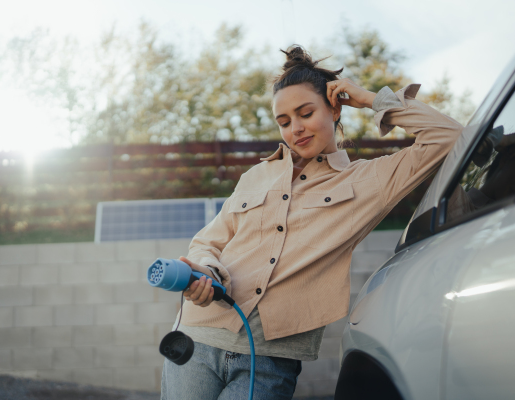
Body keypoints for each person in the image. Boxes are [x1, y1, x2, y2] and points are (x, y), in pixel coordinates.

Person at [160, 45, 463, 400]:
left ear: (334, 108)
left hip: (271, 360)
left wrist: (369, 99)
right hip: (197, 341)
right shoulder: (256, 176)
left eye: (305, 113)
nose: (296, 129)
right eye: (284, 122)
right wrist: (207, 272)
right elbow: (207, 243)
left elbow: (450, 137)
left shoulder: (368, 182)